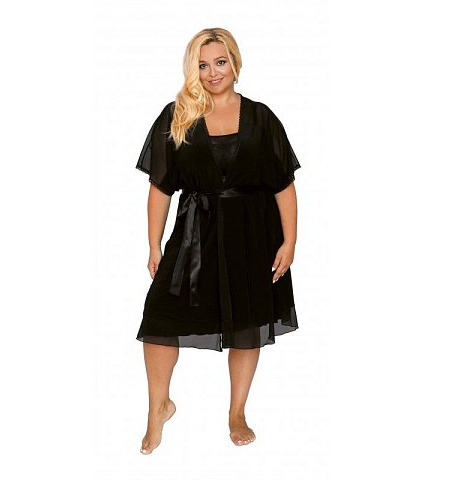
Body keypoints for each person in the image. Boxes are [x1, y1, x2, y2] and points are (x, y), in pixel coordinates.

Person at [135, 28, 301, 455]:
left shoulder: (262, 117)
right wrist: (154, 245)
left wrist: (290, 241)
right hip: (194, 233)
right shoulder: (177, 115)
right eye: (203, 65)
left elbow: (283, 184)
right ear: (194, 69)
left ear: (235, 63)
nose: (213, 72)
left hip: (252, 233)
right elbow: (160, 188)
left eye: (220, 62)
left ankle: (237, 412)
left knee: (247, 323)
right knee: (159, 320)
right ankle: (158, 407)